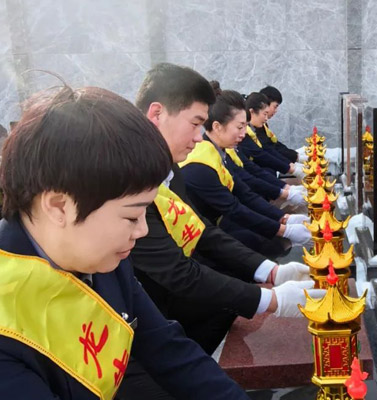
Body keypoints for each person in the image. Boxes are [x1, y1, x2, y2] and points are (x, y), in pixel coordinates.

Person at [0, 85, 249, 399]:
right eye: (132, 216)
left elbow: (169, 351)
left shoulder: (99, 257)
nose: (142, 230)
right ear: (60, 206)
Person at [131, 63, 323, 356]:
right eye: (195, 124)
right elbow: (178, 270)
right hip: (145, 320)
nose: (199, 137)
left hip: (174, 296)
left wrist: (270, 271)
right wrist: (270, 300)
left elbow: (201, 228)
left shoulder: (168, 170)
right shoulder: (131, 181)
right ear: (157, 113)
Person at [179, 90, 311, 255]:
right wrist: (284, 229)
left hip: (223, 220)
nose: (243, 134)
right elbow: (233, 207)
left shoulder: (220, 151)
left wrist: (284, 218)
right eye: (240, 127)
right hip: (205, 236)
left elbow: (243, 190)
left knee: (273, 242)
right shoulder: (200, 165)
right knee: (269, 244)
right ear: (217, 127)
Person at [240, 93, 304, 178]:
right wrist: (291, 168)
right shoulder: (244, 134)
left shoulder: (257, 127)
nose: (266, 118)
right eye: (264, 114)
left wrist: (293, 162)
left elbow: (270, 148)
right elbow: (260, 154)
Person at [259, 85, 307, 163]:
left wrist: (295, 156)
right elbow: (268, 149)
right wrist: (290, 166)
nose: (276, 111)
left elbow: (275, 145)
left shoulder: (263, 125)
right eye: (275, 107)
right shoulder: (254, 127)